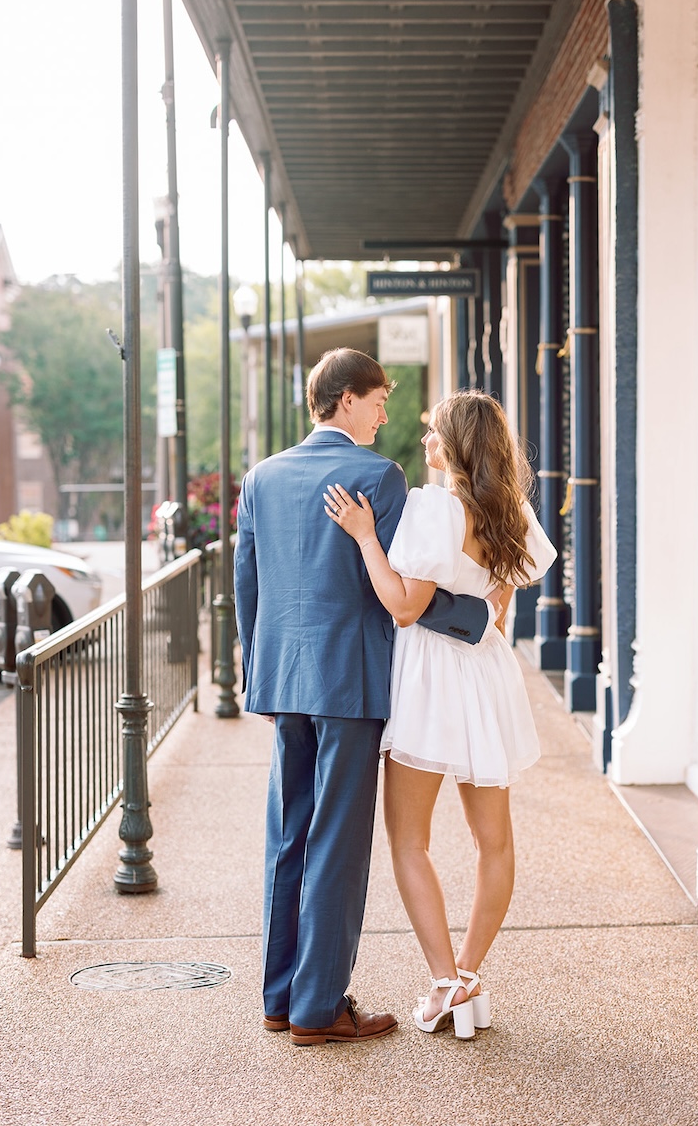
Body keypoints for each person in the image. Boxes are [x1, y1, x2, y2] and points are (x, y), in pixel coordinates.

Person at [234, 349, 492, 1046]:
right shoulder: (378, 476)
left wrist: (255, 672)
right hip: (350, 683)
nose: (386, 412)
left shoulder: (262, 477)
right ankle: (318, 1010)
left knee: (288, 838)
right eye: (379, 398)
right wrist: (478, 618)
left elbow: (247, 584)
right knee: (338, 849)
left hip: (283, 682)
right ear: (345, 399)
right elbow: (400, 589)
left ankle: (279, 998)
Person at [323, 388, 557, 1040]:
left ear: (454, 444)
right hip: (485, 679)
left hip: (428, 680)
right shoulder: (506, 511)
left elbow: (402, 605)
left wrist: (367, 538)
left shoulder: (433, 508)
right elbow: (496, 610)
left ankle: (444, 981)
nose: (424, 440)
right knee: (495, 842)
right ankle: (470, 974)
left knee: (410, 840)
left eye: (433, 431)